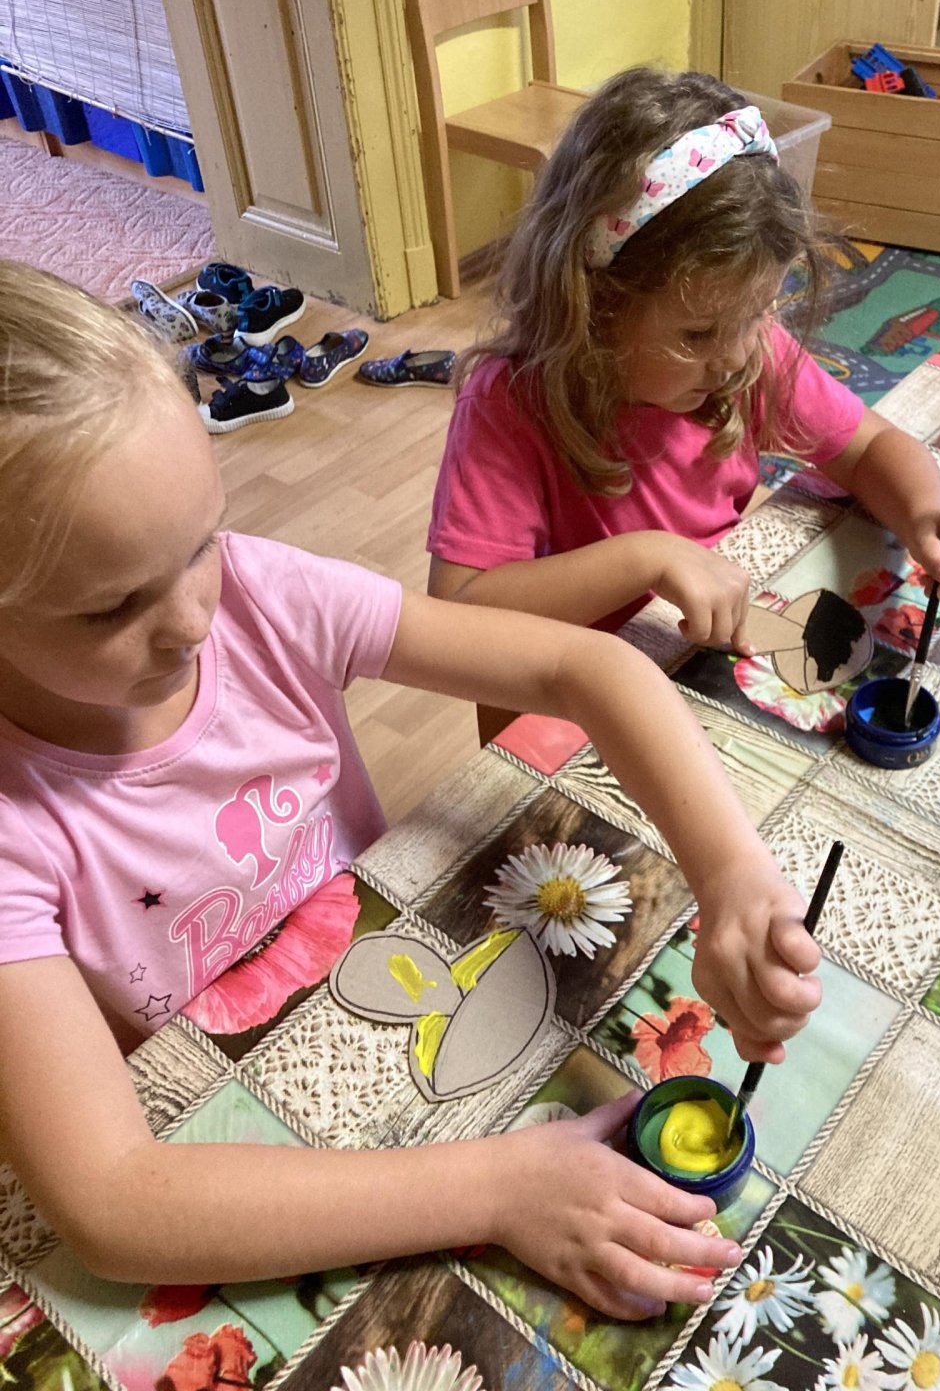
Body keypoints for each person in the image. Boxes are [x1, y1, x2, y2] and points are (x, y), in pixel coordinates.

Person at [0, 261, 823, 1321]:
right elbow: (113, 1202)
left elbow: (588, 668)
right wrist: (497, 1189)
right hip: (217, 1130)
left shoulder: (261, 594)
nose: (195, 619)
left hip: (380, 1005)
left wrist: (734, 874)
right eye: (113, 606)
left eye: (200, 541)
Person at [427, 67, 940, 650]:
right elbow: (459, 610)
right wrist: (645, 560)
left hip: (702, 655)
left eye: (757, 314)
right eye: (697, 334)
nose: (734, 357)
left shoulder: (751, 354)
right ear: (596, 303)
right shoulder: (509, 403)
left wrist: (928, 513)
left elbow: (870, 447)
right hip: (582, 675)